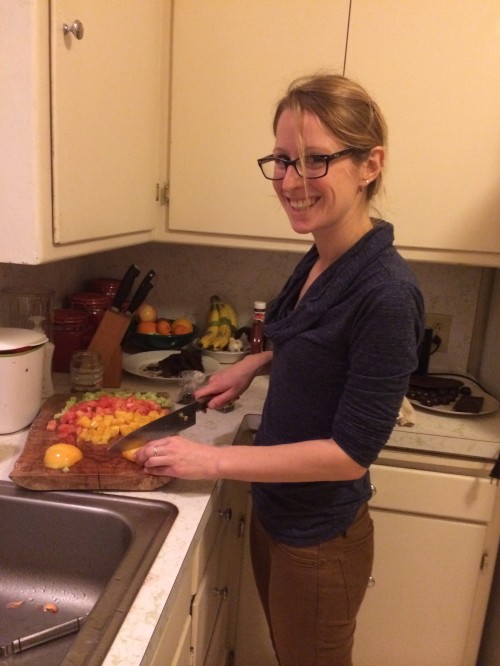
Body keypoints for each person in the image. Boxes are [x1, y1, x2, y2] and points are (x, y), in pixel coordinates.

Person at [136, 73, 424, 666]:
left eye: (316, 160)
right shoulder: (325, 254)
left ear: (370, 164)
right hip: (280, 513)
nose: (292, 182)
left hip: (319, 539)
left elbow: (349, 453)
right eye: (283, 161)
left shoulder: (387, 293)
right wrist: (255, 362)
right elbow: (315, 338)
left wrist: (211, 461)